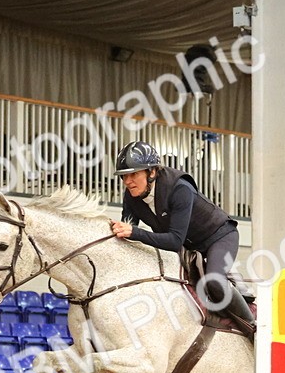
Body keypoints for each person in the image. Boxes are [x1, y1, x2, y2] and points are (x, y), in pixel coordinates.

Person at [108, 140, 255, 336]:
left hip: (219, 236)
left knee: (214, 281)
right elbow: (127, 230)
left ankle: (253, 328)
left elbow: (174, 241)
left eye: (133, 174)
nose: (127, 182)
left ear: (151, 172)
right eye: (124, 177)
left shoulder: (179, 188)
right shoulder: (131, 196)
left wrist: (134, 232)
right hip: (188, 247)